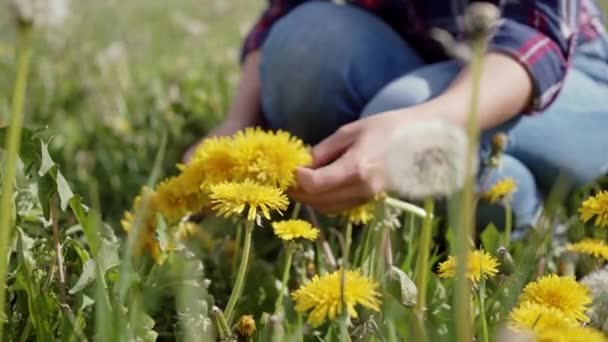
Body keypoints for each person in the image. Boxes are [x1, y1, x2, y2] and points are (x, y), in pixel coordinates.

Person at [188, 0, 608, 234]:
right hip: (420, 62)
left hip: (564, 81)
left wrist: (416, 123)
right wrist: (236, 123)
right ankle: (478, 188)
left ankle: (519, 219)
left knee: (401, 114)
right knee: (304, 43)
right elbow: (282, 14)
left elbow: (536, 38)